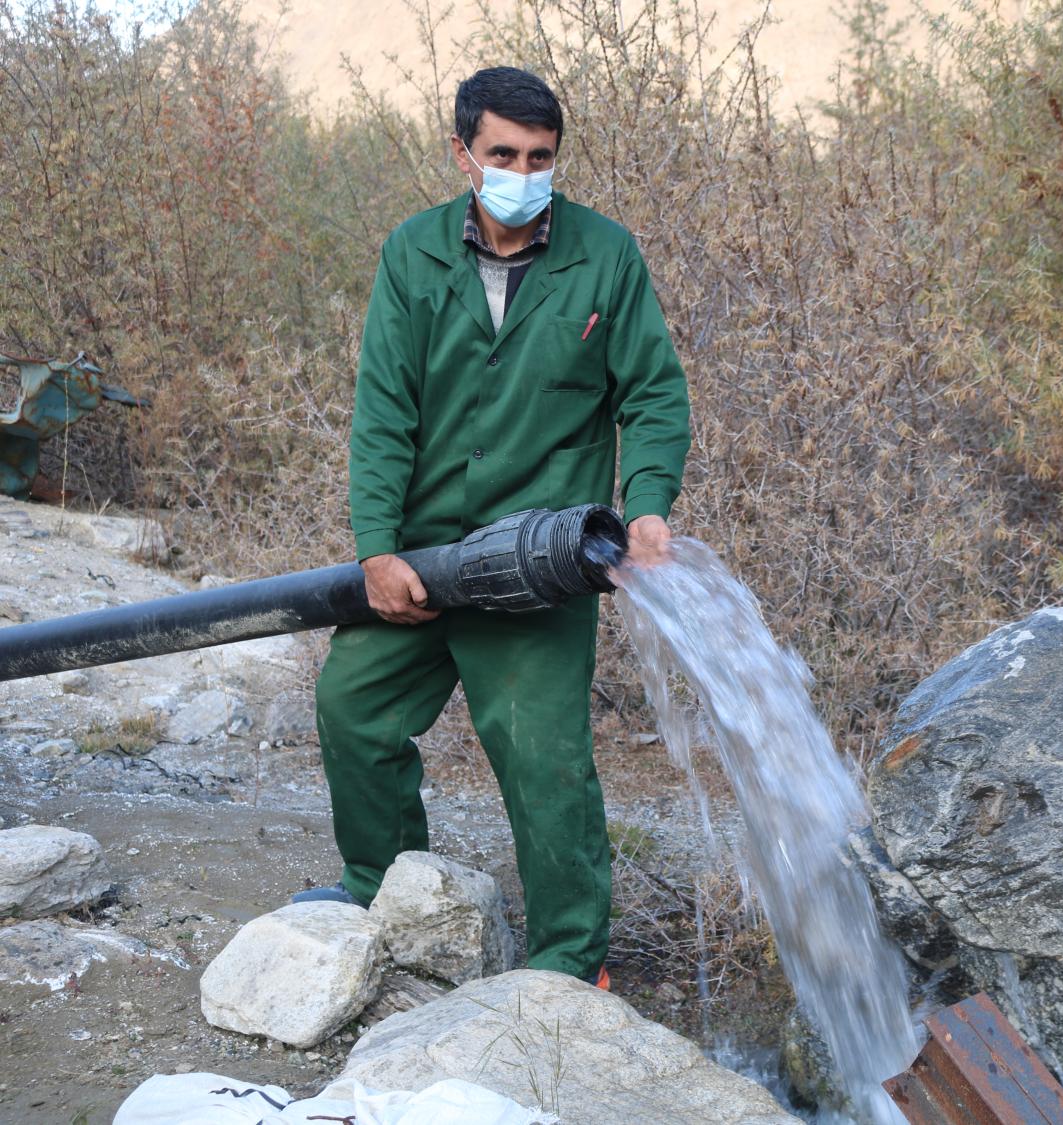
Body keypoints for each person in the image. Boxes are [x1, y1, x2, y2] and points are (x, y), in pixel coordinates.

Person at [293, 66, 691, 989]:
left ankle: (569, 960)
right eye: (503, 153)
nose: (523, 170)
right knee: (353, 708)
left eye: (541, 156)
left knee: (544, 760)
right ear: (464, 152)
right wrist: (377, 550)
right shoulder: (414, 253)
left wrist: (650, 507)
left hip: (540, 562)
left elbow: (656, 393)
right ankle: (385, 888)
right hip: (426, 555)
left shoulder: (605, 256)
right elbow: (383, 411)